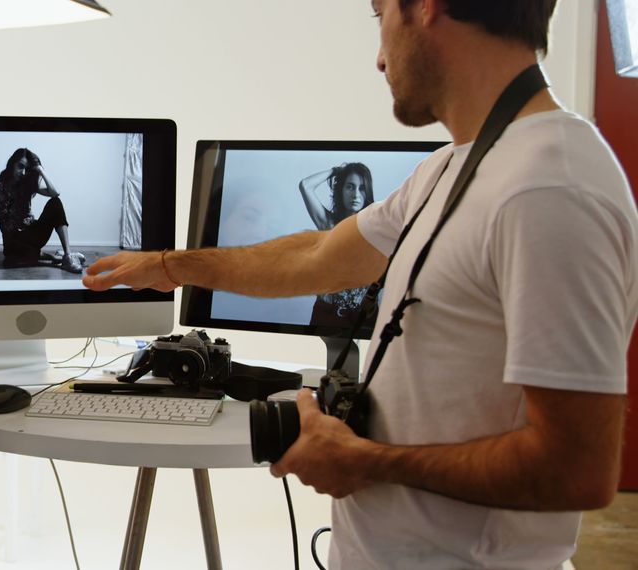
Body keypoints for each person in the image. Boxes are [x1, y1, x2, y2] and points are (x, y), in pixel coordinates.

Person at [83, 0, 636, 568]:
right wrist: (171, 265)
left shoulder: (548, 187)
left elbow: (577, 470)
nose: (378, 58)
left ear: (426, 8)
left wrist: (367, 460)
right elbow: (320, 253)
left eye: (379, 16)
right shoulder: (451, 168)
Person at [0, 148, 85, 273]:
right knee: (13, 259)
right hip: (13, 243)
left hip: (33, 235)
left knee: (55, 203)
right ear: (12, 164)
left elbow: (55, 193)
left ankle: (67, 256)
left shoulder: (27, 184)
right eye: (20, 166)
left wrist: (40, 170)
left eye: (28, 169)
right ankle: (54, 256)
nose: (23, 172)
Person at [297, 163, 376, 327]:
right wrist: (335, 171)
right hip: (328, 312)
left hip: (362, 314)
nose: (356, 194)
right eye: (350, 187)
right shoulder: (329, 224)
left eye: (362, 188)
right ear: (341, 190)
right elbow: (305, 185)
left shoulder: (375, 226)